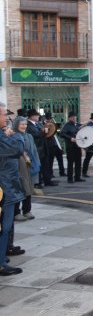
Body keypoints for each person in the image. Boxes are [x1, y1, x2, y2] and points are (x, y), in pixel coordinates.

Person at [0, 102, 26, 276]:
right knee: (4, 226)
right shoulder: (4, 136)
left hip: (7, 185)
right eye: (3, 115)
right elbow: (17, 148)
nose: (7, 118)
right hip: (4, 187)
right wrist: (14, 135)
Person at [13, 116, 40, 222]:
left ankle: (27, 210)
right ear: (16, 125)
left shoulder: (29, 136)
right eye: (21, 124)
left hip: (30, 165)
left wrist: (37, 163)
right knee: (19, 187)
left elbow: (34, 150)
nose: (24, 126)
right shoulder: (13, 136)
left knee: (29, 187)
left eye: (25, 124)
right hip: (18, 165)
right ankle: (16, 212)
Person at [27, 109, 54, 187]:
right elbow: (35, 135)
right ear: (32, 116)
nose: (38, 117)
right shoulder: (28, 125)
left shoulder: (38, 124)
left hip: (43, 146)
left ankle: (47, 181)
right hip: (37, 148)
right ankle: (38, 183)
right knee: (37, 165)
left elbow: (44, 132)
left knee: (46, 164)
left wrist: (47, 130)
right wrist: (43, 131)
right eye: (36, 115)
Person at [60, 111, 84, 183]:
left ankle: (77, 177)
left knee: (78, 162)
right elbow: (62, 134)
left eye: (75, 116)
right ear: (69, 118)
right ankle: (70, 178)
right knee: (70, 163)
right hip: (70, 147)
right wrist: (70, 138)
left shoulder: (78, 125)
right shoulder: (67, 125)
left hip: (77, 146)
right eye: (72, 117)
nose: (74, 118)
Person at [44, 112, 66, 179]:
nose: (50, 120)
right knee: (51, 160)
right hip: (50, 144)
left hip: (56, 143)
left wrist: (57, 128)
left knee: (60, 159)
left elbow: (58, 133)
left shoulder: (53, 124)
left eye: (50, 118)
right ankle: (50, 173)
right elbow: (46, 134)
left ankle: (62, 172)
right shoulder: (45, 125)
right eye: (49, 119)